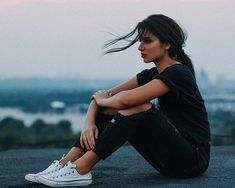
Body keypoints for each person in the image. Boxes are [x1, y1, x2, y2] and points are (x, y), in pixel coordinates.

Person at [25, 14, 211, 187]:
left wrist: (102, 100)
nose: (140, 47)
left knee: (137, 106)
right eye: (140, 41)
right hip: (168, 160)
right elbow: (105, 98)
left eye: (147, 41)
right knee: (111, 109)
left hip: (192, 160)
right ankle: (65, 164)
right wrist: (89, 123)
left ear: (167, 44)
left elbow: (124, 100)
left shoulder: (178, 73)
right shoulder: (151, 75)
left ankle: (81, 169)